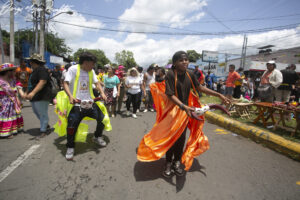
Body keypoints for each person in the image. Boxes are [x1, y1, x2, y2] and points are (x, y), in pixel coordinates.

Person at [137, 51, 230, 178]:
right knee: (171, 138)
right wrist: (183, 106)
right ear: (175, 63)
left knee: (181, 139)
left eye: (186, 59)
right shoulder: (170, 74)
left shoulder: (190, 74)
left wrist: (219, 94)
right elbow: (170, 94)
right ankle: (168, 163)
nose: (185, 62)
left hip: (186, 112)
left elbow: (200, 88)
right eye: (181, 60)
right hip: (173, 111)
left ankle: (176, 162)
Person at [63, 52, 110, 160]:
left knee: (102, 119)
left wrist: (102, 93)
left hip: (90, 102)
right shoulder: (73, 69)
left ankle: (97, 136)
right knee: (71, 127)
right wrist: (70, 96)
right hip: (77, 104)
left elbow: (97, 83)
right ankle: (70, 147)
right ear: (85, 62)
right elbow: (65, 83)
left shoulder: (91, 71)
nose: (93, 66)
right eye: (92, 64)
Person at [25, 53, 52, 138]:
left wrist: (32, 93)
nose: (29, 63)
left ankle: (43, 130)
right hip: (35, 96)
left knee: (42, 113)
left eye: (30, 61)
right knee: (36, 112)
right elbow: (31, 84)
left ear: (33, 62)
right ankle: (45, 125)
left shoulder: (41, 70)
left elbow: (42, 81)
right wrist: (28, 92)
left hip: (42, 95)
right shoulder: (34, 71)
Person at [0, 63, 25, 138]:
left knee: (12, 116)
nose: (14, 72)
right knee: (5, 116)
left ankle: (12, 130)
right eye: (13, 71)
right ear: (8, 72)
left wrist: (18, 99)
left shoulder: (13, 80)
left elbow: (16, 91)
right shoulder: (0, 81)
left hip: (12, 102)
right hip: (3, 102)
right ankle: (6, 132)